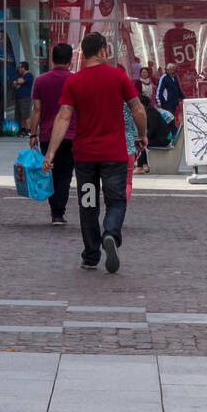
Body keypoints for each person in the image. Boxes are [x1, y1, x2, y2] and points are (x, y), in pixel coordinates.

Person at [43, 32, 146, 273]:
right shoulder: (118, 76)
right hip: (114, 155)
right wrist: (142, 134)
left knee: (88, 204)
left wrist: (50, 153)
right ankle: (110, 233)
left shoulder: (74, 81)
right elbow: (138, 109)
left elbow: (63, 117)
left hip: (85, 157)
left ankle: (90, 255)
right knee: (116, 201)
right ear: (102, 51)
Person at [30, 43, 77, 225]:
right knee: (65, 175)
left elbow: (37, 109)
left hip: (47, 135)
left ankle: (54, 210)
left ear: (52, 59)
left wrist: (32, 134)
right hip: (71, 134)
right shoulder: (75, 79)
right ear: (70, 60)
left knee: (50, 172)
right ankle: (59, 212)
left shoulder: (41, 80)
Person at [13, 61, 34, 133]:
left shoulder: (28, 75)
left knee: (25, 115)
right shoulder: (20, 75)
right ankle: (22, 130)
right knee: (21, 115)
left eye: (19, 67)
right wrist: (17, 82)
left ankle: (29, 131)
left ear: (24, 68)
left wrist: (17, 82)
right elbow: (14, 84)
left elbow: (20, 82)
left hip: (25, 98)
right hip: (19, 97)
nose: (18, 69)